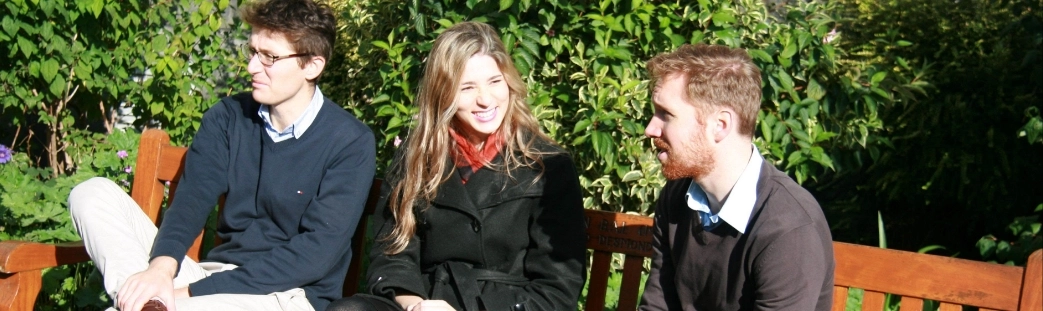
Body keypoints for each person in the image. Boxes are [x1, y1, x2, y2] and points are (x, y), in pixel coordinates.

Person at [68, 0, 376, 310]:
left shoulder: (349, 143)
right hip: (207, 278)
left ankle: (148, 303)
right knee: (91, 193)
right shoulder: (229, 117)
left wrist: (186, 295)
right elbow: (191, 201)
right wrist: (160, 270)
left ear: (312, 65)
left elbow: (314, 256)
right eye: (253, 52)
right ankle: (148, 301)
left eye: (269, 57)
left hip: (287, 295)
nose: (252, 66)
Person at [326, 21, 586, 311]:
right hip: (424, 301)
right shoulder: (415, 157)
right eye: (467, 87)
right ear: (443, 93)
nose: (485, 100)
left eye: (495, 82)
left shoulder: (548, 165)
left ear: (509, 82)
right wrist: (416, 305)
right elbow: (393, 255)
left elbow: (558, 289)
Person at [638, 44, 834, 311]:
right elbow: (658, 305)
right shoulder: (677, 196)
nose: (651, 128)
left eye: (666, 114)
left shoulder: (788, 229)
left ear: (720, 125)